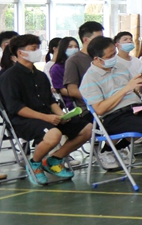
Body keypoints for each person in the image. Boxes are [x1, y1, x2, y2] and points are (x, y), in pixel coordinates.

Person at [79, 36, 142, 189]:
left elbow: (133, 91)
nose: (114, 58)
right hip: (114, 117)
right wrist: (126, 88)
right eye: (110, 56)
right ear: (97, 59)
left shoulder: (120, 67)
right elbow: (100, 109)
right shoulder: (90, 79)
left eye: (114, 53)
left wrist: (136, 86)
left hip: (136, 108)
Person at [0, 34, 93, 184]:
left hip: (48, 117)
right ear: (20, 52)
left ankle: (54, 159)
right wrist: (46, 118)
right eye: (33, 49)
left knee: (87, 129)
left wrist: (62, 115)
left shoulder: (40, 76)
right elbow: (16, 107)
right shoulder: (9, 77)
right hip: (24, 121)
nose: (37, 51)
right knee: (54, 134)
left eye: (38, 48)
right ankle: (35, 163)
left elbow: (50, 101)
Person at [63, 21, 104, 109]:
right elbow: (72, 90)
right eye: (98, 38)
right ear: (85, 40)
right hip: (90, 107)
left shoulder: (103, 57)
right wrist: (95, 100)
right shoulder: (74, 60)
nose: (101, 42)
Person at [48, 36, 79, 104]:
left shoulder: (79, 64)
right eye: (70, 47)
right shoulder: (56, 68)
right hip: (72, 103)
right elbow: (62, 90)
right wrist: (80, 95)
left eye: (76, 47)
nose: (74, 49)